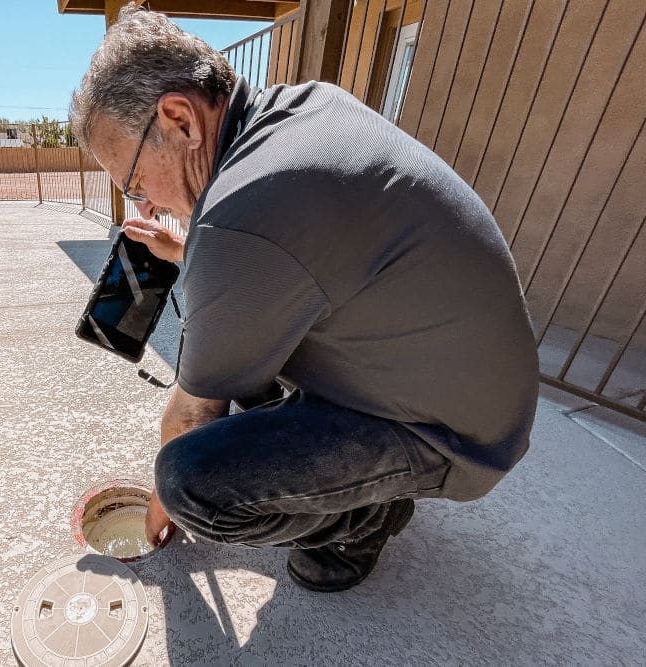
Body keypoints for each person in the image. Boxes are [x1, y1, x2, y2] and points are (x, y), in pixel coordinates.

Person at [70, 5, 539, 592]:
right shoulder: (303, 109)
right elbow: (287, 253)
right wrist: (186, 253)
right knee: (241, 360)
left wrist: (157, 514)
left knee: (191, 479)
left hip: (451, 438)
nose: (143, 205)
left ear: (180, 119)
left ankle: (368, 518)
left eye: (135, 183)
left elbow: (192, 414)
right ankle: (353, 485)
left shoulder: (244, 219)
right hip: (468, 392)